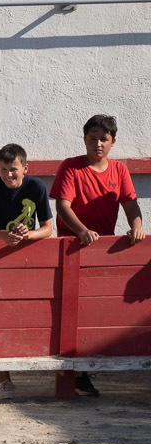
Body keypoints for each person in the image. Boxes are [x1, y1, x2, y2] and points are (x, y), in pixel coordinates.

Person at [51, 114, 146, 397]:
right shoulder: (71, 166)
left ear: (113, 142)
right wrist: (81, 231)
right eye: (92, 138)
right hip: (71, 248)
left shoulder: (120, 170)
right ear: (85, 140)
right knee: (70, 310)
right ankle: (75, 373)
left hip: (102, 251)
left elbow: (131, 205)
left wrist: (137, 228)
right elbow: (62, 206)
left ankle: (81, 371)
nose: (98, 144)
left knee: (91, 311)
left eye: (103, 139)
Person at [0, 144, 55, 401]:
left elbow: (47, 228)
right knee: (0, 317)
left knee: (26, 317)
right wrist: (3, 237)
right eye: (4, 170)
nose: (9, 175)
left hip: (30, 261)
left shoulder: (36, 187)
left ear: (25, 169)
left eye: (14, 170)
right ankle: (4, 378)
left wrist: (28, 235)